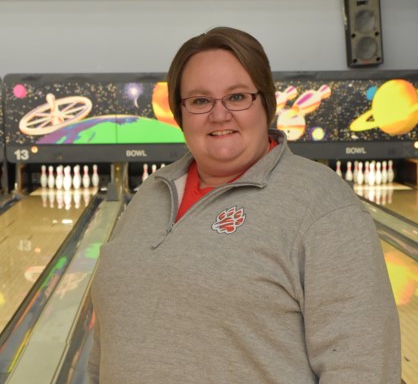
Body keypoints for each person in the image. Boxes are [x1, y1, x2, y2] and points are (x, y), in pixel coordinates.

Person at [88, 27, 401, 383]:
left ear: (266, 103)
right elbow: (106, 344)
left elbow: (362, 367)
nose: (219, 115)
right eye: (200, 100)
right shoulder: (150, 193)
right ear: (180, 112)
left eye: (237, 97)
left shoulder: (323, 206)